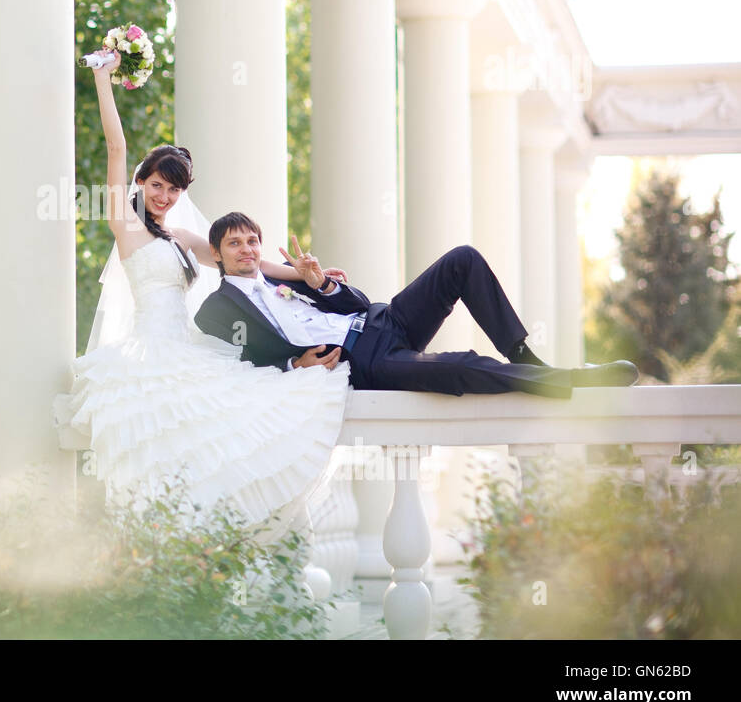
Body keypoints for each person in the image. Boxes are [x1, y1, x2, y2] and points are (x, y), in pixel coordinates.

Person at [52, 47, 351, 541]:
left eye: (173, 189)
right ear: (142, 184)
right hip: (149, 354)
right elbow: (115, 150)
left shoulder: (183, 241)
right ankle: (151, 548)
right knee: (164, 445)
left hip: (188, 349)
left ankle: (201, 552)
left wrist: (304, 275)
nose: (164, 197)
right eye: (155, 186)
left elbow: (242, 260)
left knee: (228, 434)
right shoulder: (127, 228)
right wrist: (104, 80)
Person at [194, 211, 639, 398]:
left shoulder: (286, 276)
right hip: (365, 360)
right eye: (235, 244)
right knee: (458, 366)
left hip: (383, 319)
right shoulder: (216, 310)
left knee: (461, 259)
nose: (248, 249)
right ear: (217, 254)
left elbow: (358, 301)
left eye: (253, 240)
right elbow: (239, 366)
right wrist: (295, 366)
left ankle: (523, 353)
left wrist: (322, 285)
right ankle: (573, 382)